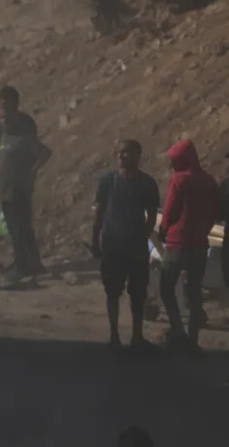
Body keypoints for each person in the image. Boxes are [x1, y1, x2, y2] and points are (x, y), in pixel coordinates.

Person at [0, 85, 51, 283]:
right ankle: (30, 263)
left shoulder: (24, 129)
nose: (4, 112)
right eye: (1, 107)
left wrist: (30, 174)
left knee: (20, 226)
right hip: (6, 184)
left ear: (15, 104)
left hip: (20, 185)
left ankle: (23, 266)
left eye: (7, 107)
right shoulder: (3, 128)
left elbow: (42, 152)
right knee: (18, 225)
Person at [90, 140, 159, 350]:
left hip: (135, 246)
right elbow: (99, 212)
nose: (121, 156)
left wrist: (143, 239)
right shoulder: (107, 181)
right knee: (112, 291)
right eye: (119, 152)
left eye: (126, 152)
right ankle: (114, 335)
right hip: (112, 244)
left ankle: (137, 336)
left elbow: (153, 215)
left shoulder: (147, 183)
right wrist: (95, 239)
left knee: (138, 293)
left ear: (138, 156)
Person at [158, 139, 220, 351]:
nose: (172, 164)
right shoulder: (210, 182)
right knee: (194, 292)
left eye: (174, 160)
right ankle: (193, 340)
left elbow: (169, 210)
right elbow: (214, 214)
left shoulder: (178, 180)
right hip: (199, 245)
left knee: (166, 288)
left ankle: (177, 330)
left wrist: (163, 230)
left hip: (177, 243)